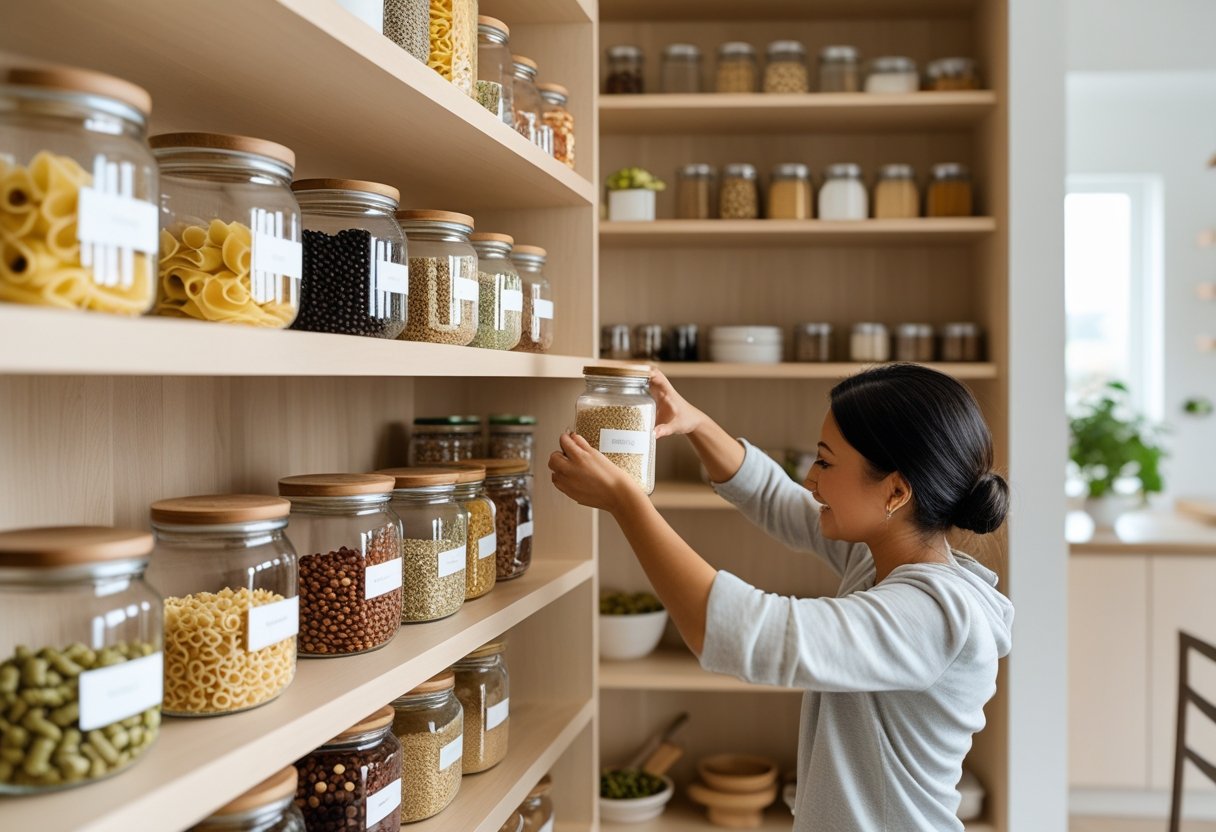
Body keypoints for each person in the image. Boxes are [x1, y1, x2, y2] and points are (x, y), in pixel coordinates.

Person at [549, 363, 1014, 832]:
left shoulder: (931, 615)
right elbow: (780, 500)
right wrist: (696, 424)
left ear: (895, 490)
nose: (811, 479)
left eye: (826, 462)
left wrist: (627, 503)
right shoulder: (881, 559)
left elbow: (743, 630)